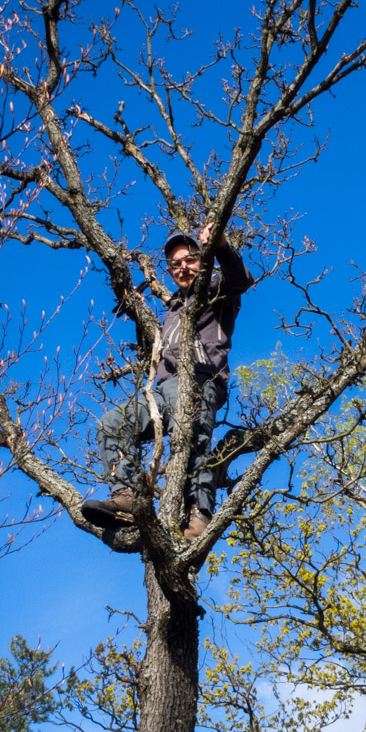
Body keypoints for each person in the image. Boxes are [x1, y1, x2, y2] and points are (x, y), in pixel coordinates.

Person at [81, 223, 253, 539]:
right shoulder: (172, 305)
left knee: (191, 444)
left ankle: (198, 517)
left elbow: (241, 279)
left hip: (201, 381)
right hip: (162, 390)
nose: (183, 267)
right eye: (176, 264)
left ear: (203, 261)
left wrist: (222, 248)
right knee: (112, 424)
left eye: (190, 260)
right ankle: (127, 497)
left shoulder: (217, 287)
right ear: (170, 271)